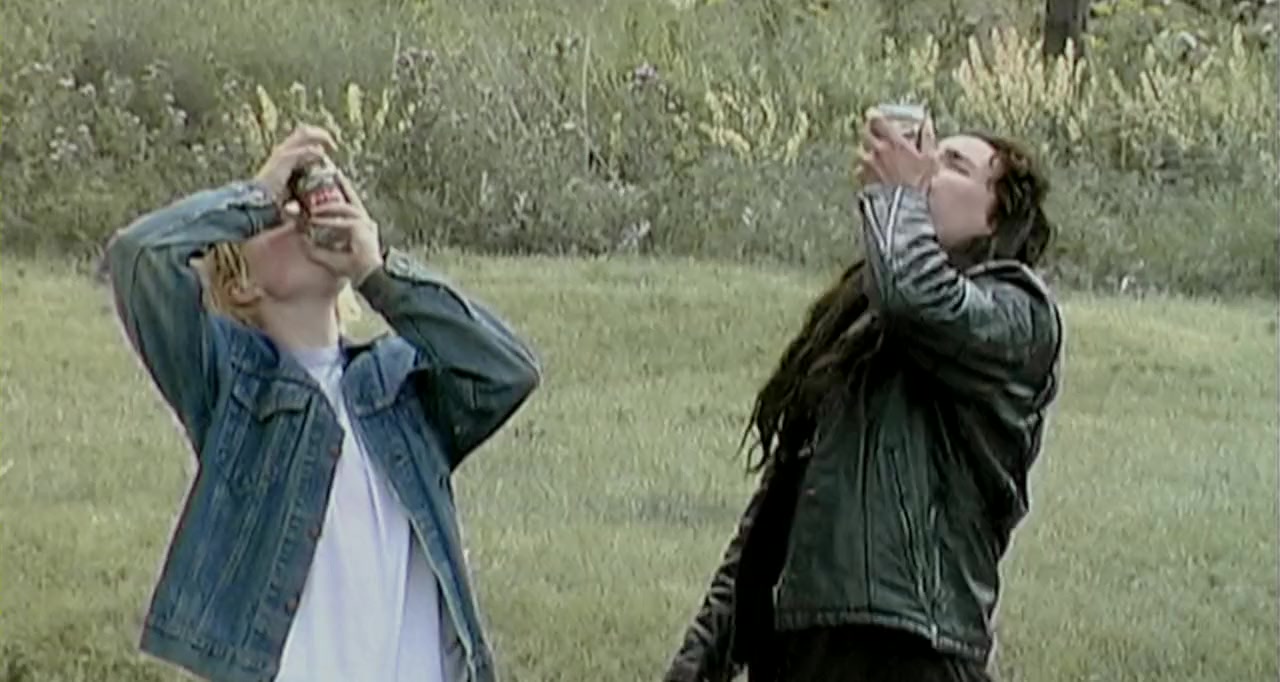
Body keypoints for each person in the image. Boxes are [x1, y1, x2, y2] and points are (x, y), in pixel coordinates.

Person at [105, 125, 542, 682]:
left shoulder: (398, 385)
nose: (299, 218)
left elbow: (509, 370)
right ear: (242, 285)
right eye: (275, 222)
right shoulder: (231, 384)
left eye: (298, 208)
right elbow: (138, 257)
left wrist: (378, 273)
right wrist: (257, 196)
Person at [663, 113, 1065, 682]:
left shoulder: (1019, 314)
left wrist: (900, 195)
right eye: (929, 156)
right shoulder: (861, 331)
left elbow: (917, 297)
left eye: (954, 165)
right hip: (804, 649)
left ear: (997, 217)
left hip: (914, 653)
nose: (926, 167)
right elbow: (777, 516)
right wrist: (699, 661)